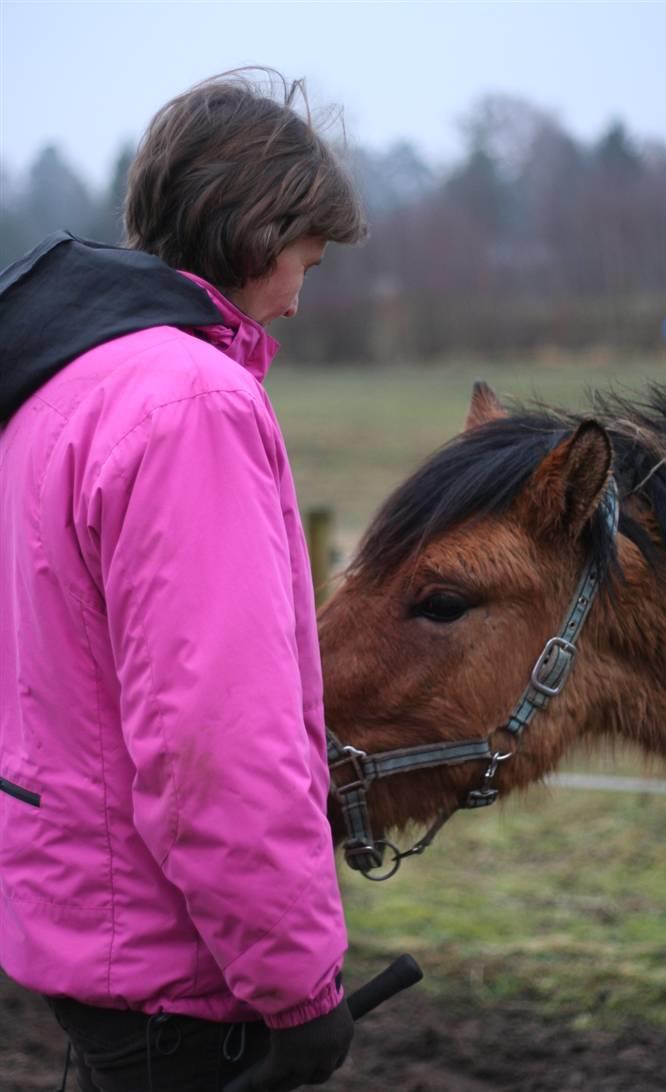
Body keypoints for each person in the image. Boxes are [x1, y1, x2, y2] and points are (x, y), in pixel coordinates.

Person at [0, 70, 366, 1091]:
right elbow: (212, 734)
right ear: (257, 234)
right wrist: (296, 987)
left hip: (85, 925)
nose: (299, 294)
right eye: (307, 258)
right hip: (179, 971)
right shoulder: (188, 404)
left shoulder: (61, 385)